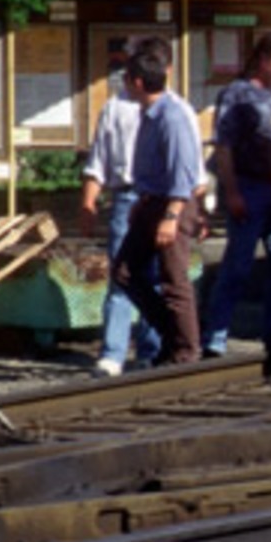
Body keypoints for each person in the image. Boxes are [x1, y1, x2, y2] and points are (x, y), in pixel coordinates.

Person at [204, 31, 271, 358]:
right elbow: (224, 146)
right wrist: (231, 192)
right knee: (238, 264)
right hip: (249, 184)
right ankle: (215, 333)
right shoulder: (238, 94)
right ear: (262, 59)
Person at [112, 44, 203, 365]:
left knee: (174, 280)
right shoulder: (149, 114)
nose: (123, 83)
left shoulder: (172, 117)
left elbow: (184, 170)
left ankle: (186, 352)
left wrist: (172, 215)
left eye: (126, 78)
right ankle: (174, 334)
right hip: (150, 201)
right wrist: (142, 200)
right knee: (125, 271)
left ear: (137, 83)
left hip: (171, 204)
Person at [79, 77, 160, 377]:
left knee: (153, 276)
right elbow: (97, 160)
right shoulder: (114, 108)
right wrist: (88, 204)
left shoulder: (172, 108)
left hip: (157, 197)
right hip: (126, 194)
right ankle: (113, 352)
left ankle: (151, 349)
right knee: (121, 276)